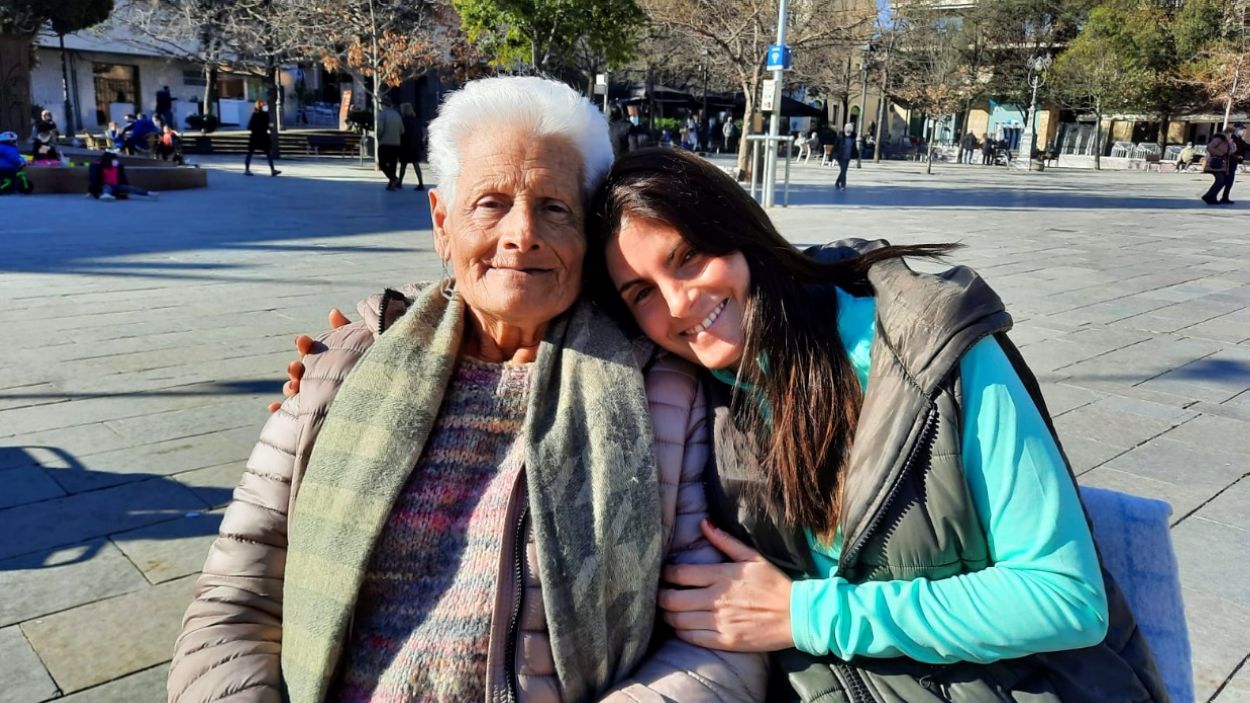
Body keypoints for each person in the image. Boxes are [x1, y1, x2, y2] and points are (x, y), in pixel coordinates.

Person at [168, 76, 766, 703]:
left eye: (555, 207)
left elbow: (716, 638)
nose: (522, 234)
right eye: (490, 203)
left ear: (590, 236)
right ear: (442, 222)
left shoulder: (663, 390)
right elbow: (234, 599)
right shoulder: (345, 367)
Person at [580, 147, 1168, 702]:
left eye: (687, 257)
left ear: (743, 234)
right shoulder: (702, 398)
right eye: (642, 294)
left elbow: (1065, 596)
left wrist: (806, 615)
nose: (678, 303)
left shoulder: (935, 352)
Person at [87, 150, 157, 200]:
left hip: (116, 186)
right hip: (104, 185)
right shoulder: (99, 167)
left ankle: (147, 193)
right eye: (113, 160)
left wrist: (124, 194)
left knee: (130, 188)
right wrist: (92, 192)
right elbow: (94, 179)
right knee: (107, 187)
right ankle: (106, 194)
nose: (115, 161)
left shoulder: (117, 167)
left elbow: (123, 178)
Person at [244, 100, 280, 177]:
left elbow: (250, 126)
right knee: (268, 153)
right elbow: (268, 125)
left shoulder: (255, 114)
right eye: (264, 105)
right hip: (263, 136)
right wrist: (269, 126)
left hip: (255, 136)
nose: (265, 106)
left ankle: (247, 169)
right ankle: (272, 169)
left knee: (250, 153)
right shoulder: (264, 115)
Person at [396, 102, 425, 190]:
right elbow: (420, 134)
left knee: (403, 165)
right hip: (415, 145)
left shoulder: (402, 121)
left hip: (405, 145)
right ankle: (421, 183)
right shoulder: (416, 121)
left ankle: (400, 182)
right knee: (416, 164)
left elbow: (400, 133)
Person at [376, 99, 404, 190]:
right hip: (396, 143)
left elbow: (380, 129)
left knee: (382, 164)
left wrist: (379, 137)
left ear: (384, 106)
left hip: (385, 143)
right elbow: (402, 130)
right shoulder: (397, 115)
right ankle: (391, 184)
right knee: (393, 164)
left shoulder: (382, 115)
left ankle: (394, 179)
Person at [1201, 130, 1233, 205]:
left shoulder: (1227, 141)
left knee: (1222, 181)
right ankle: (1208, 196)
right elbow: (1209, 147)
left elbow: (1229, 152)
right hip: (1215, 162)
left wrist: (1231, 144)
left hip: (1222, 164)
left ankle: (1212, 197)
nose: (1230, 136)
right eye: (1230, 134)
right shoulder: (1219, 139)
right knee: (1220, 180)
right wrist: (1220, 154)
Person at [1218, 123, 1245, 204]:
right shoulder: (1231, 137)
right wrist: (1236, 156)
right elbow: (1227, 149)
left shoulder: (1239, 138)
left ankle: (1225, 197)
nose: (1242, 131)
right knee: (1226, 180)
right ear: (1236, 128)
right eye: (1241, 129)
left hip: (1234, 161)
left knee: (1229, 180)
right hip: (1229, 161)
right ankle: (1214, 195)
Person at [0, 131, 33, 195]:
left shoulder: (1, 147)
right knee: (13, 179)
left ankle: (7, 187)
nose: (16, 142)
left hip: (2, 168)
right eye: (15, 141)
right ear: (10, 141)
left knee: (6, 178)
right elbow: (15, 158)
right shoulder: (10, 149)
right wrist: (21, 163)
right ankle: (9, 188)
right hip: (7, 168)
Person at [833, 122, 856, 190]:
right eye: (847, 128)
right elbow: (835, 147)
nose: (848, 130)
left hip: (847, 157)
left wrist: (855, 155)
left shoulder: (852, 137)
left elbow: (853, 148)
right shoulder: (840, 137)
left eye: (850, 128)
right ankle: (843, 185)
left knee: (844, 171)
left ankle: (837, 182)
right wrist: (833, 156)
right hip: (840, 157)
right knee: (843, 170)